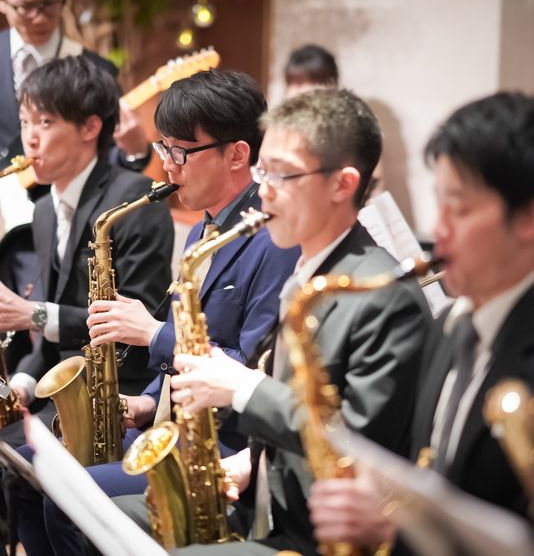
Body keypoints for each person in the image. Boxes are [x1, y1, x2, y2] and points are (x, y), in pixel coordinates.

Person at [112, 87, 432, 556]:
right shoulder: (307, 270)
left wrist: (243, 388)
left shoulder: (380, 294)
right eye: (263, 172)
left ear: (342, 185)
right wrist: (252, 461)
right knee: (107, 518)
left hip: (311, 533)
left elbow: (355, 443)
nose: (262, 190)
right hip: (262, 494)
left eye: (283, 175)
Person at [16, 68, 300, 556]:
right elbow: (189, 341)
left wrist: (152, 334)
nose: (166, 166)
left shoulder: (273, 241)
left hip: (222, 447)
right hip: (168, 426)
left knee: (67, 500)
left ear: (237, 154)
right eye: (163, 147)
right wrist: (146, 402)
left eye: (180, 152)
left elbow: (253, 368)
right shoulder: (201, 231)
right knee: (28, 471)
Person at [307, 91, 534, 553]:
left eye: (461, 208)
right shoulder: (451, 324)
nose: (440, 229)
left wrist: (390, 532)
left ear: (530, 218)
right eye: (440, 204)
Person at [0, 55, 174, 450]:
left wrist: (34, 314)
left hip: (121, 396)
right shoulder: (44, 211)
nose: (30, 139)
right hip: (60, 391)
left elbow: (140, 318)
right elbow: (49, 342)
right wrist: (20, 388)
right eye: (25, 123)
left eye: (45, 123)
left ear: (90, 127)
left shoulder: (133, 199)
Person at [0, 0, 151, 176]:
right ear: (2, 0)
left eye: (51, 3)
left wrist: (135, 151)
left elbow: (109, 158)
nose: (40, 18)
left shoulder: (98, 70)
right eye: (27, 6)